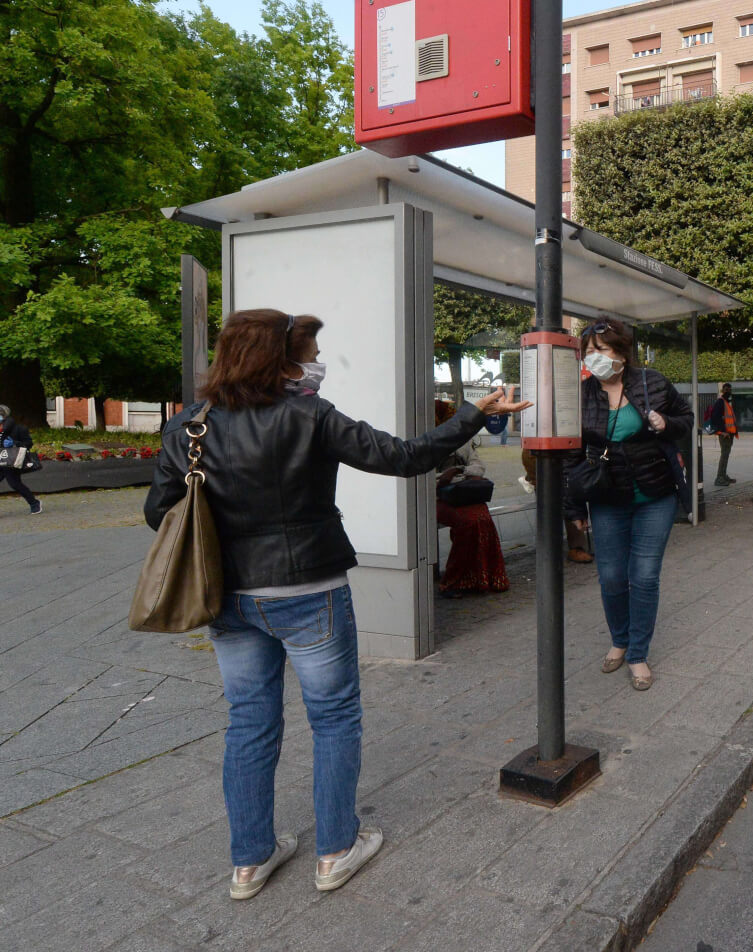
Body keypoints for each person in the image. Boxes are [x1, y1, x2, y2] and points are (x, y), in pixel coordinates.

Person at [144, 309, 528, 901]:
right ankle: (335, 850)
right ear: (281, 360)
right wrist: (474, 414)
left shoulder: (189, 426)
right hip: (308, 592)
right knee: (333, 718)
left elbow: (158, 514)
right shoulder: (310, 415)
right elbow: (404, 457)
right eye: (310, 354)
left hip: (228, 599)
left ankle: (249, 861)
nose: (317, 364)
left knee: (248, 722)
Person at [565, 317, 692, 692]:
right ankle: (619, 640)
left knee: (645, 576)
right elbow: (571, 455)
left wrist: (665, 423)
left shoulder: (652, 382)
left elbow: (686, 418)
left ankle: (637, 653)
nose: (594, 357)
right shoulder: (581, 394)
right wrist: (574, 509)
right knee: (611, 577)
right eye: (589, 352)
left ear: (621, 351)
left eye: (601, 349)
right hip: (607, 497)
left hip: (655, 495)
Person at [433, 400, 509, 597]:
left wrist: (458, 470)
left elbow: (478, 467)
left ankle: (480, 578)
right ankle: (453, 581)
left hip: (462, 494)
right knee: (468, 522)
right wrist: (451, 476)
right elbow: (426, 479)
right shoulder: (427, 442)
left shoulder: (462, 440)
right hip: (435, 499)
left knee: (483, 518)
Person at [522, 448, 594, 563]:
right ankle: (549, 548)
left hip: (566, 449)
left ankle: (577, 547)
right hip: (538, 451)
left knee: (571, 494)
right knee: (547, 502)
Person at [0, 405, 42, 515]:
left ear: (3, 416)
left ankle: (34, 503)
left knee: (15, 484)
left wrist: (14, 443)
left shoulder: (18, 429)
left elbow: (28, 443)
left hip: (11, 461)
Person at [705, 383, 739, 486]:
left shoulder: (726, 402)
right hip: (725, 435)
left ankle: (723, 476)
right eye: (726, 389)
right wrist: (722, 432)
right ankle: (719, 478)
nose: (728, 391)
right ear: (722, 391)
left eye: (730, 389)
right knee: (724, 456)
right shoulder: (720, 402)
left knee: (726, 455)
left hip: (729, 434)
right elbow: (715, 418)